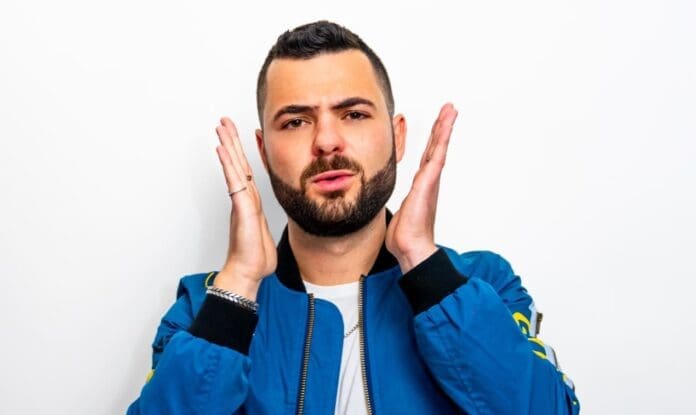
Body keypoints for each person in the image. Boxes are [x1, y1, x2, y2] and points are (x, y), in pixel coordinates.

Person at [127, 20, 580, 414]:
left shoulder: (482, 287)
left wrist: (423, 264)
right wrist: (240, 284)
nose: (327, 141)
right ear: (263, 153)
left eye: (354, 114)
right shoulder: (204, 308)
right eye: (296, 122)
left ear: (397, 137)